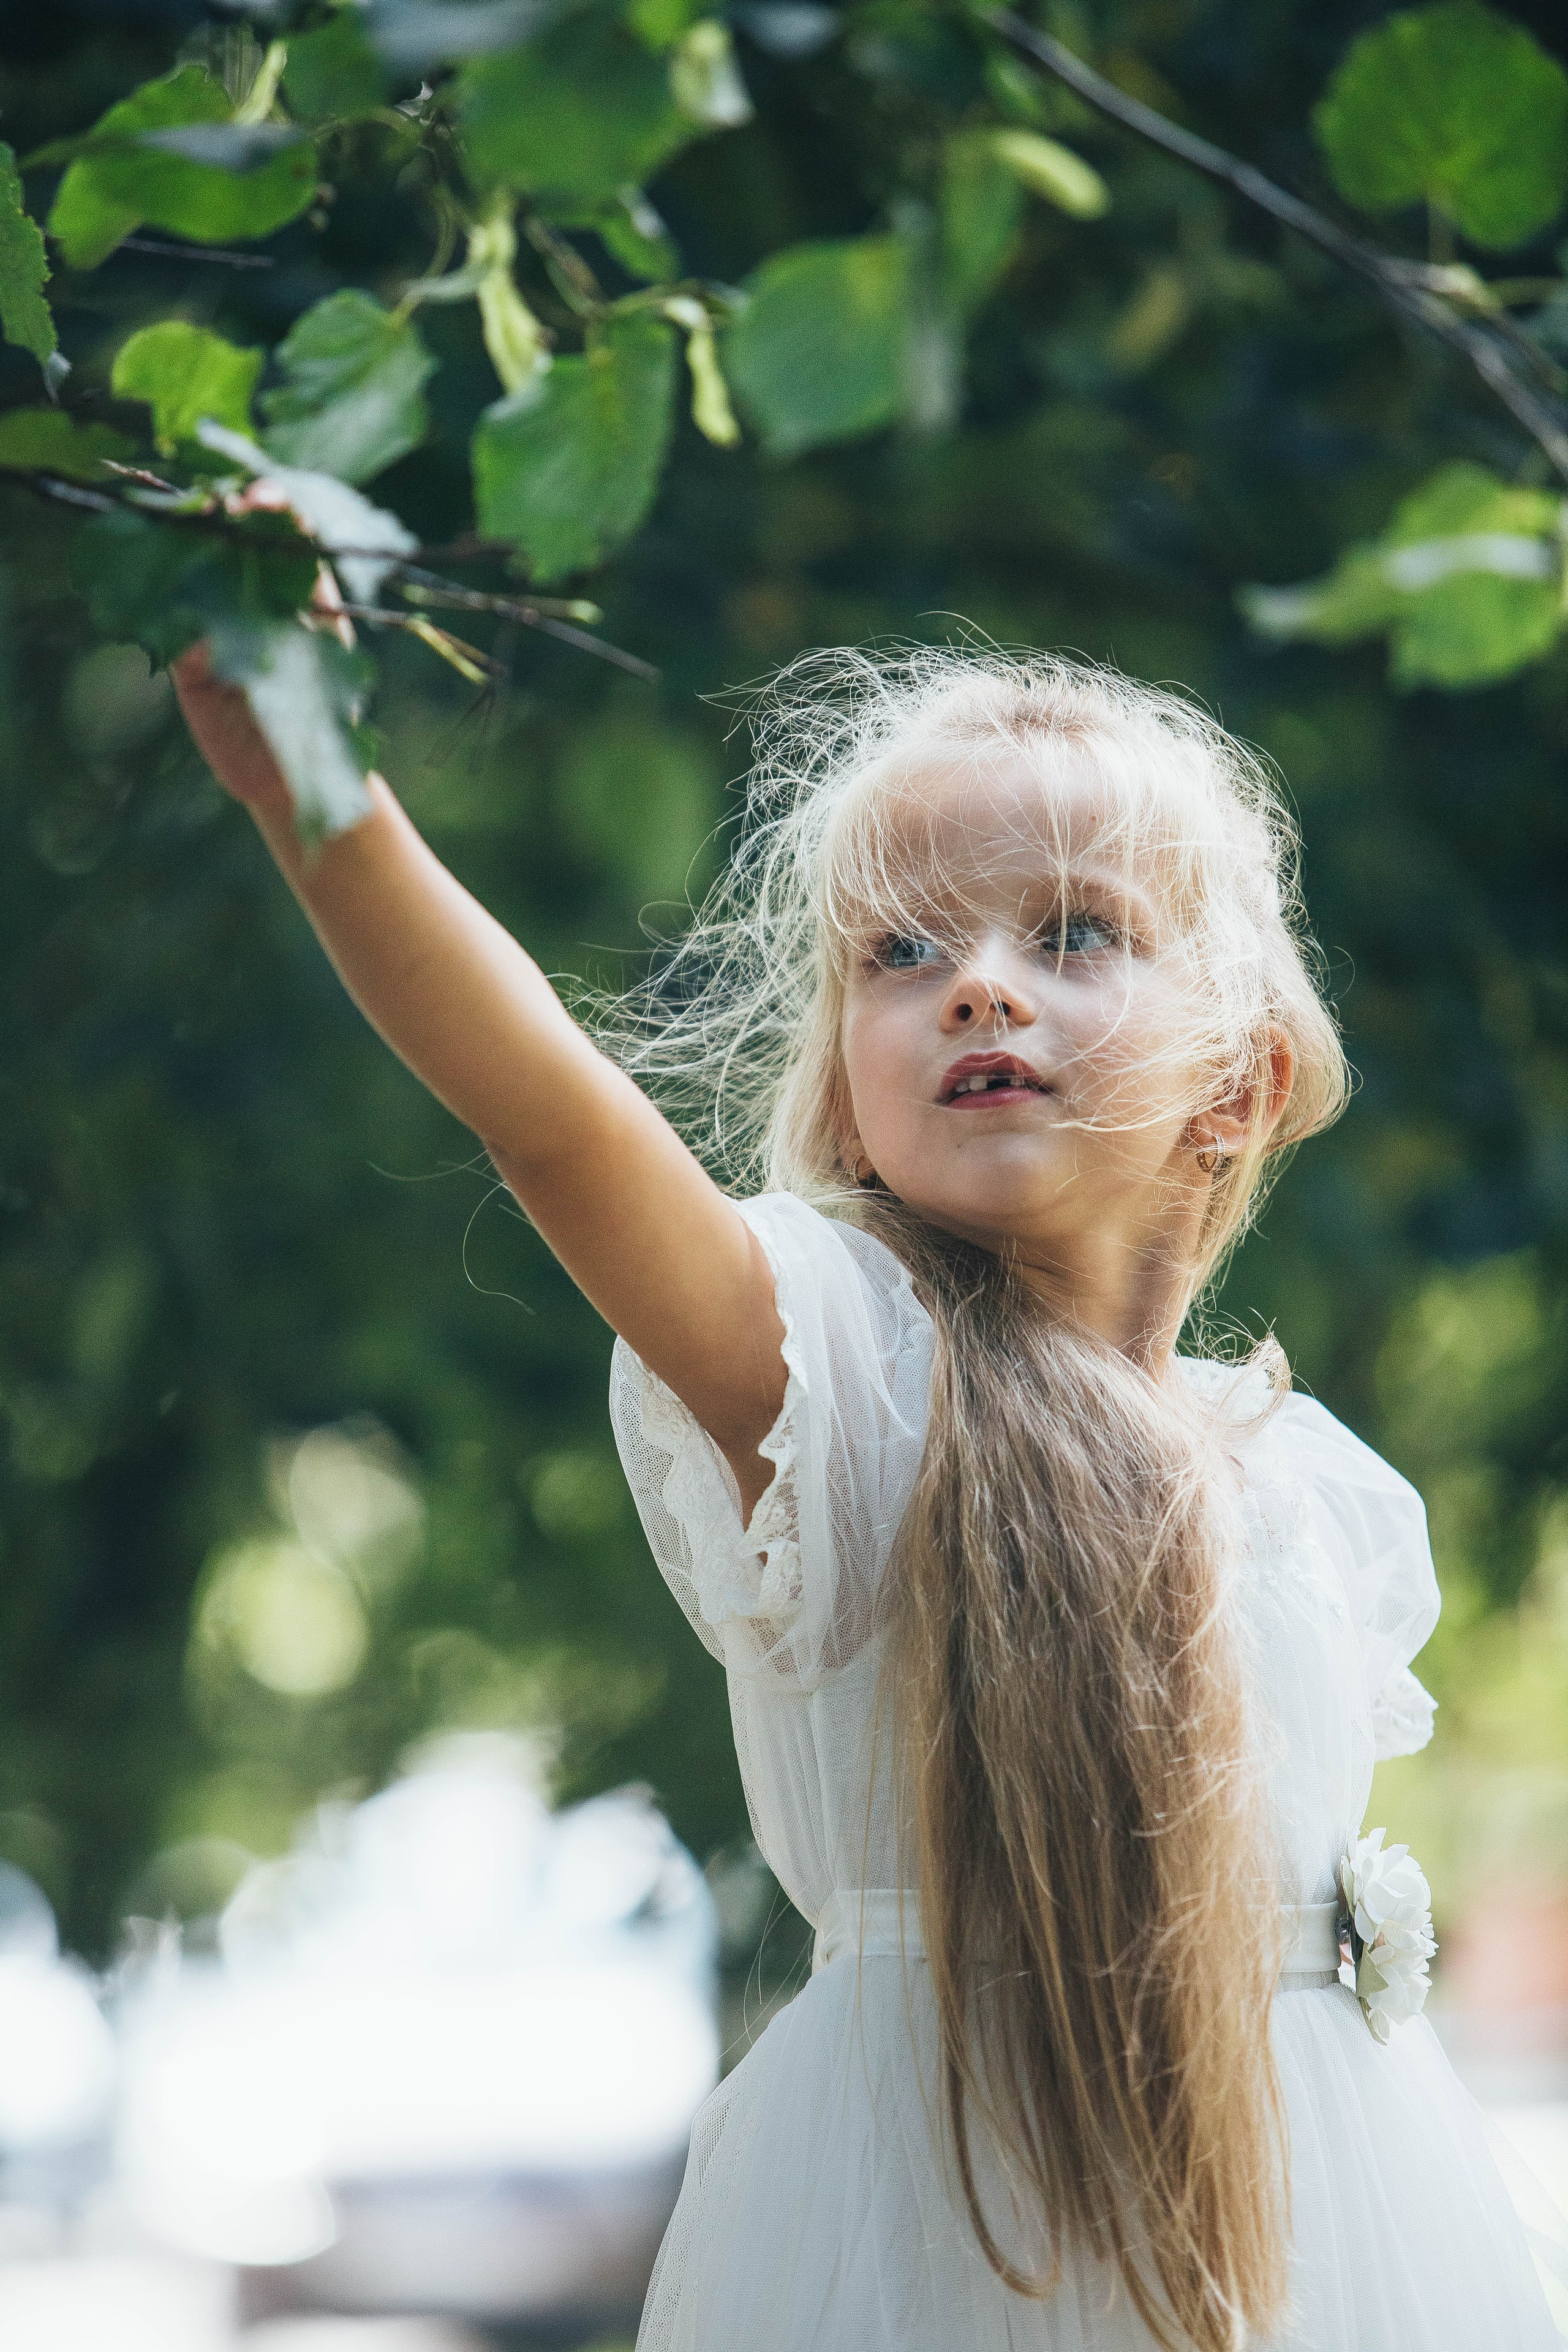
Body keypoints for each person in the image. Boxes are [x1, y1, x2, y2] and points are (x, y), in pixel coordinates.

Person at [172, 639, 1562, 2351]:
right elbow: (552, 1122)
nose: (979, 987)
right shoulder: (848, 1389)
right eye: (902, 955)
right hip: (927, 2254)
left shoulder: (1321, 1493)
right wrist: (324, 797)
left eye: (1073, 934)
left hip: (1325, 2250)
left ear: (1240, 1081)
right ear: (843, 1086)